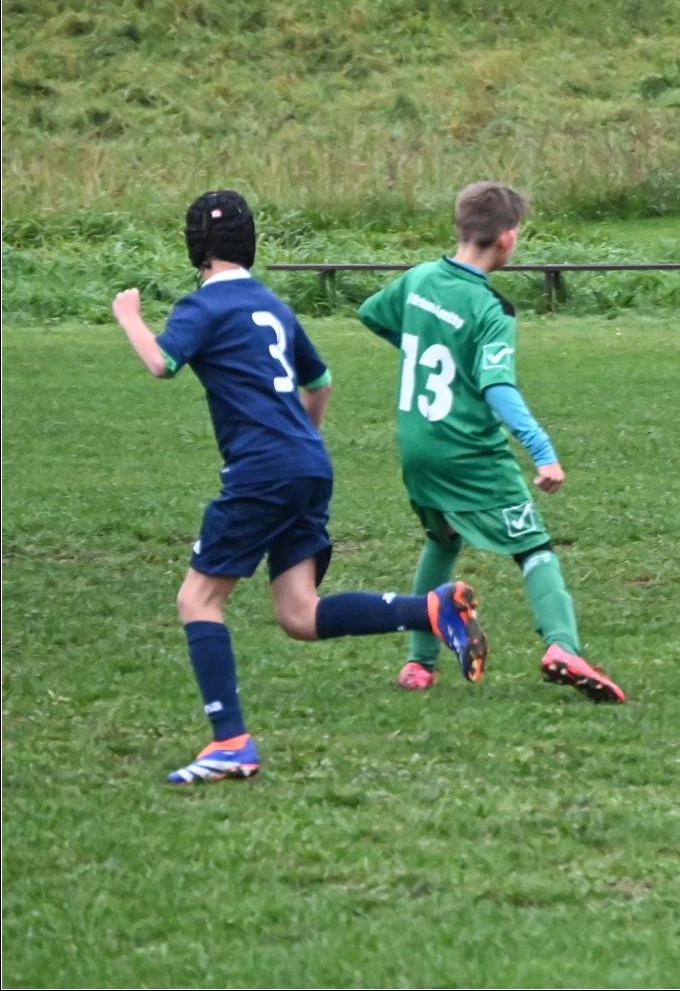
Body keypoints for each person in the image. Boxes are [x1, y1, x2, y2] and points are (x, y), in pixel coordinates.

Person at [114, 191, 485, 785]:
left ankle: (230, 742)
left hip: (263, 470)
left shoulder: (204, 306)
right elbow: (321, 382)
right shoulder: (273, 305)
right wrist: (300, 444)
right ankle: (431, 608)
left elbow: (162, 363)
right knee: (299, 614)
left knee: (197, 601)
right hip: (308, 464)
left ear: (196, 246)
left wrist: (130, 316)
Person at [358, 182, 625, 702]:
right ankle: (562, 646)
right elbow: (498, 387)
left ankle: (419, 663)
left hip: (418, 445)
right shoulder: (490, 309)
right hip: (469, 451)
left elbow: (371, 312)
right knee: (533, 547)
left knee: (442, 539)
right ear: (507, 239)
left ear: (460, 228)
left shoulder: (419, 278)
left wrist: (424, 345)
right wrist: (542, 450)